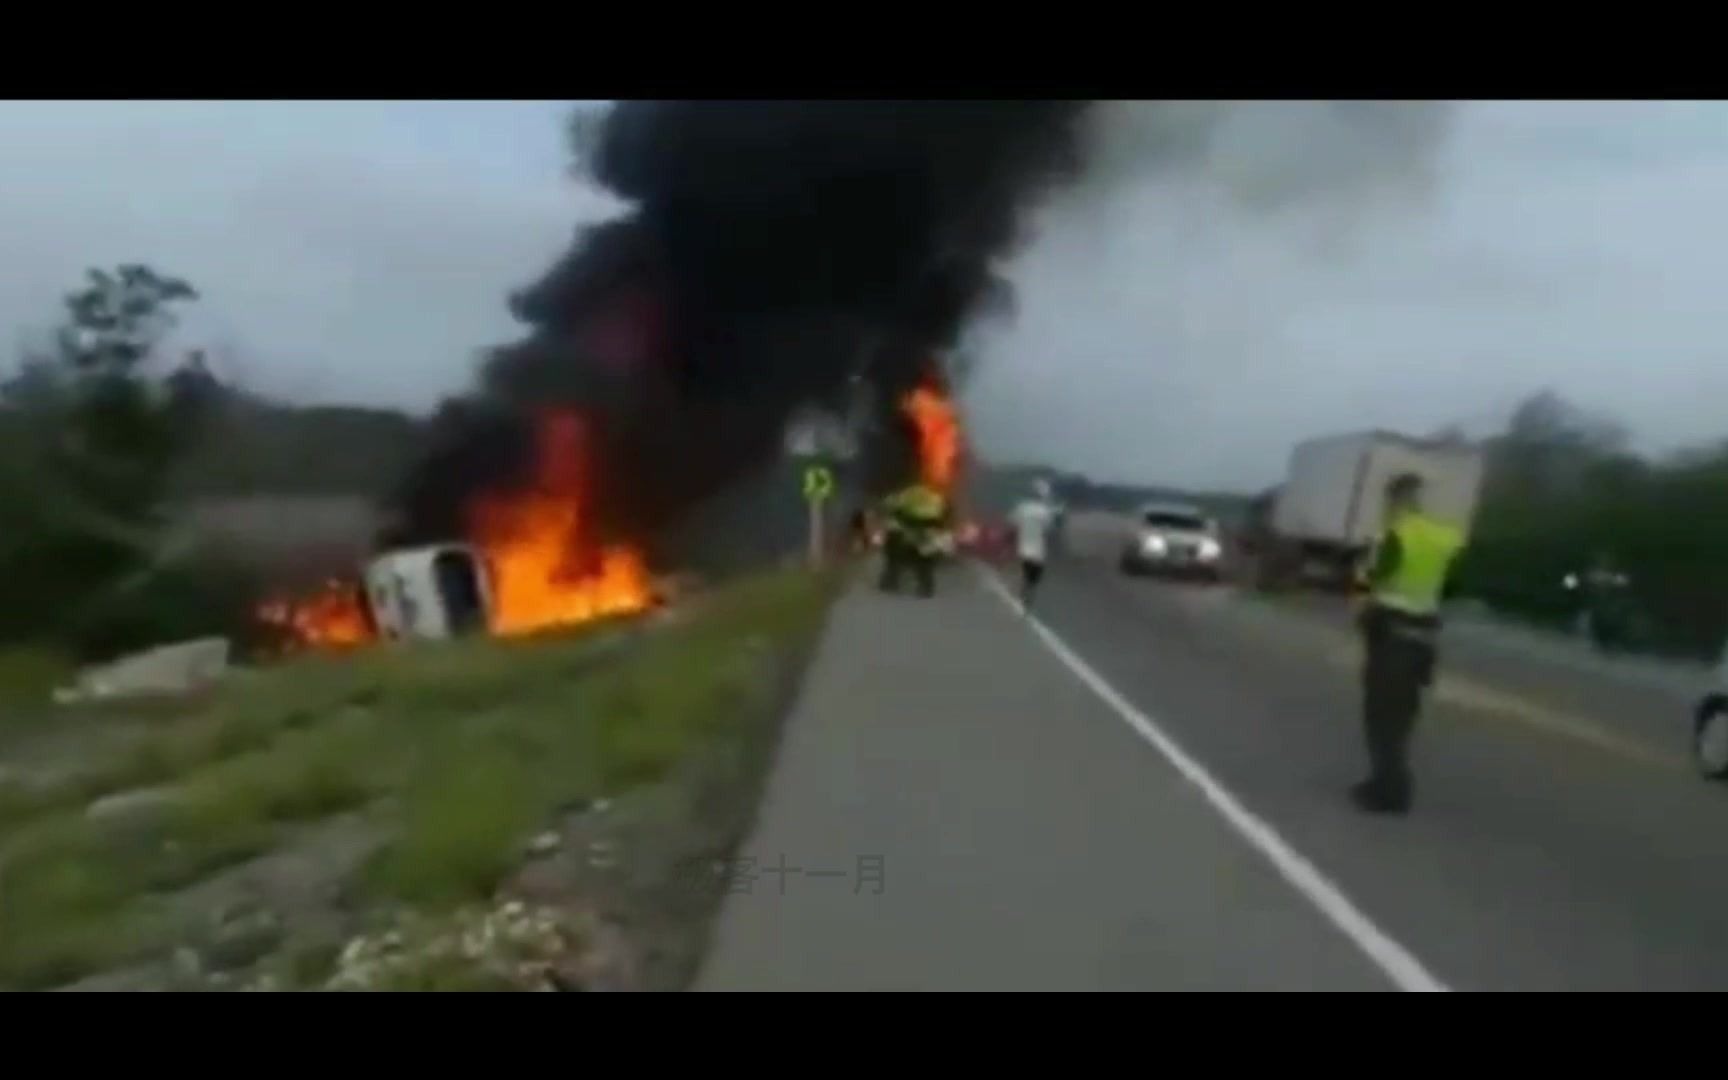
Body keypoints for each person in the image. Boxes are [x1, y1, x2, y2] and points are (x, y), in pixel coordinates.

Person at [1349, 472, 1465, 815]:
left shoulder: (1395, 535)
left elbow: (1375, 578)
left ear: (1396, 499)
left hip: (1391, 632)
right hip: (1424, 637)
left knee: (1381, 715)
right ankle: (1389, 782)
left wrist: (1362, 586)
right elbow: (1454, 585)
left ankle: (1388, 790)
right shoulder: (1445, 537)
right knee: (1402, 715)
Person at [878, 480, 948, 598]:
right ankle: (926, 587)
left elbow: (891, 506)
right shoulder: (936, 497)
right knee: (924, 559)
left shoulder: (908, 493)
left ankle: (890, 580)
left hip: (910, 526)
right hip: (928, 527)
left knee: (894, 553)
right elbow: (943, 515)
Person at [1008, 478, 1061, 613]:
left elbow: (1012, 522)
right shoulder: (1045, 512)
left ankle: (1020, 600)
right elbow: (1051, 530)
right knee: (1033, 579)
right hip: (1038, 549)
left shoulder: (1022, 507)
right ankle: (1025, 600)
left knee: (1024, 573)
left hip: (1023, 545)